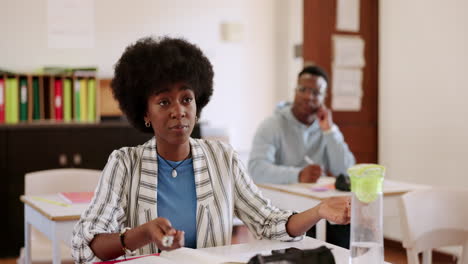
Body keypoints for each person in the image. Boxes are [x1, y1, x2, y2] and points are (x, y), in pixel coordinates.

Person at [71, 37, 351, 263]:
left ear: (197, 104)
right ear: (145, 112)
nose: (179, 111)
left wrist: (318, 211)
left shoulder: (223, 158)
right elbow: (87, 245)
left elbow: (268, 222)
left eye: (186, 98)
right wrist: (141, 234)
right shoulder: (124, 163)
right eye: (164, 102)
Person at [247, 65, 356, 248]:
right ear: (295, 90)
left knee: (347, 223)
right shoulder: (272, 125)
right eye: (303, 89)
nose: (308, 96)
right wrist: (298, 175)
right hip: (284, 210)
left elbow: (346, 170)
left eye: (316, 92)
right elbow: (256, 168)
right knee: (313, 237)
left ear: (324, 98)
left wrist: (330, 131)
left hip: (319, 205)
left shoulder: (325, 127)